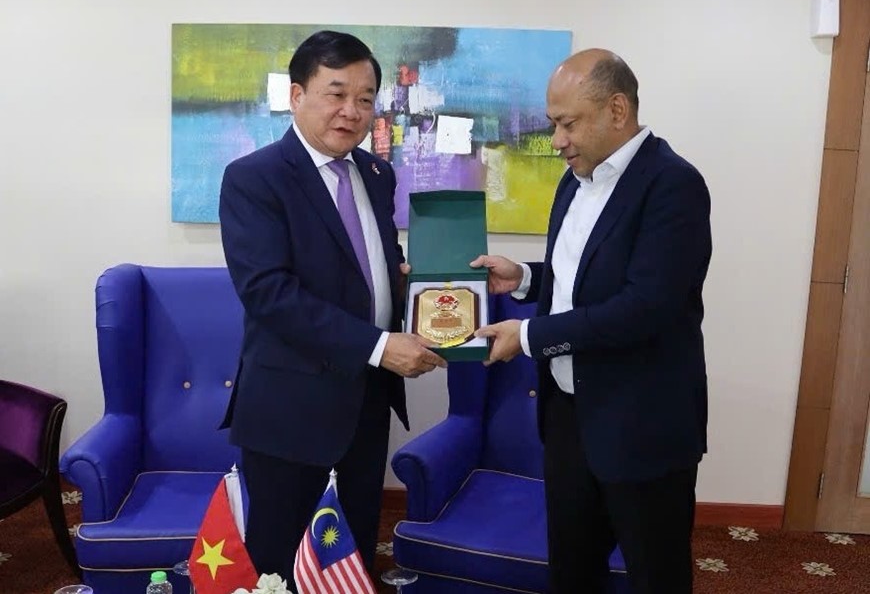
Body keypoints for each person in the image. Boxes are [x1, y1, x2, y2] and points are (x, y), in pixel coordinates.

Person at [471, 49, 711, 594]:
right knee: (572, 570)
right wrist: (525, 277)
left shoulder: (673, 184)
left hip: (640, 422)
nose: (557, 140)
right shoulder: (574, 179)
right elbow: (581, 279)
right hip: (568, 416)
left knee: (656, 575)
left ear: (617, 110)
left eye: (568, 123)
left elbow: (645, 306)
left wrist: (527, 336)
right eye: (553, 124)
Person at [218, 30, 447, 586]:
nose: (352, 111)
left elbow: (373, 264)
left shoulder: (376, 173)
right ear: (297, 95)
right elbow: (269, 294)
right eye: (337, 93)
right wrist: (379, 345)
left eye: (365, 98)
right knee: (282, 564)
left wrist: (418, 288)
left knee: (352, 554)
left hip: (365, 402)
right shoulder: (254, 179)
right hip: (290, 411)